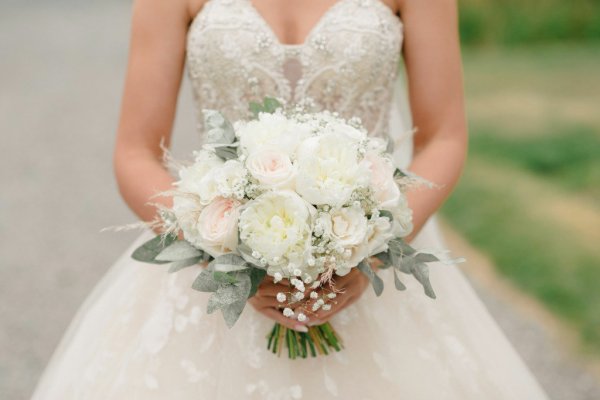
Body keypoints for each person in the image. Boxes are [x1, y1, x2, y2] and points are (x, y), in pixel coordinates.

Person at [33, 0, 549, 398]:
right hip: (212, 269)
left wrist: (371, 243)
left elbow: (445, 136)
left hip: (364, 272)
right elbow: (135, 151)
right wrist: (223, 254)